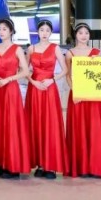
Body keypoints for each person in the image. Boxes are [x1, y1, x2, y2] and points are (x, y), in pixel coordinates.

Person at [64, 22, 101, 178]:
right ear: (75, 35)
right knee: (78, 129)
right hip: (77, 96)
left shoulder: (96, 52)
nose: (84, 36)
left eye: (86, 33)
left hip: (93, 95)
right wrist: (75, 91)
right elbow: (68, 75)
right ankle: (80, 167)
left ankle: (96, 166)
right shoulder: (70, 53)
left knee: (95, 129)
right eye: (80, 33)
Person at [0, 18, 31, 179]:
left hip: (11, 89)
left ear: (11, 31)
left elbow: (26, 71)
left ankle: (12, 165)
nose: (1, 32)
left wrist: (9, 79)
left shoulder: (17, 49)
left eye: (4, 29)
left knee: (11, 124)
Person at [26, 19, 68, 179]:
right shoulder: (31, 48)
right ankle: (40, 164)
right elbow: (25, 70)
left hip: (49, 89)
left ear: (51, 33)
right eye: (42, 30)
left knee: (50, 124)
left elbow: (65, 69)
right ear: (38, 32)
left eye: (47, 30)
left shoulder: (55, 48)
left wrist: (52, 80)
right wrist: (33, 82)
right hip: (35, 89)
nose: (44, 33)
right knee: (35, 124)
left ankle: (51, 165)